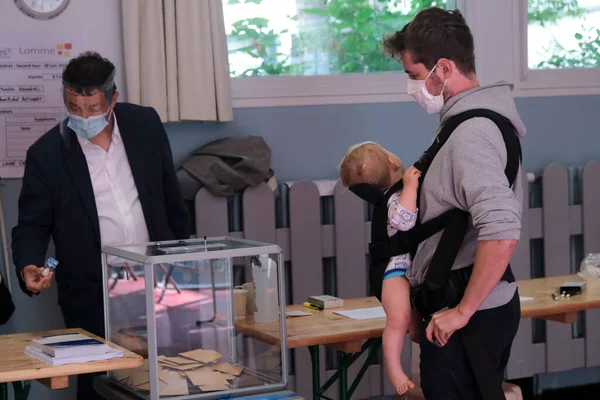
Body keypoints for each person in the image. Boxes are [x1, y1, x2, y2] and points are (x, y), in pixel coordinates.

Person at [12, 51, 189, 400]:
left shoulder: (144, 124)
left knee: (167, 376)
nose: (84, 117)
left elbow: (171, 196)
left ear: (113, 99)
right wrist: (29, 265)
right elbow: (32, 226)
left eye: (93, 109)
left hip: (158, 278)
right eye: (74, 108)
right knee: (100, 386)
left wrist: (181, 260)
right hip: (92, 290)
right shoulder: (46, 154)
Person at [382, 7, 526, 400]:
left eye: (414, 75)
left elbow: (501, 230)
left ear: (443, 68)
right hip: (462, 308)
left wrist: (461, 312)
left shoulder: (472, 135)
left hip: (466, 315)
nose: (412, 87)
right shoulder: (471, 124)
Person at [338, 142, 422, 395]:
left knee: (410, 314)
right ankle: (394, 367)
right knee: (397, 320)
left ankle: (415, 328)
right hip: (394, 270)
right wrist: (411, 187)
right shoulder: (392, 198)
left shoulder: (392, 195)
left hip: (410, 267)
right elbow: (403, 220)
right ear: (393, 162)